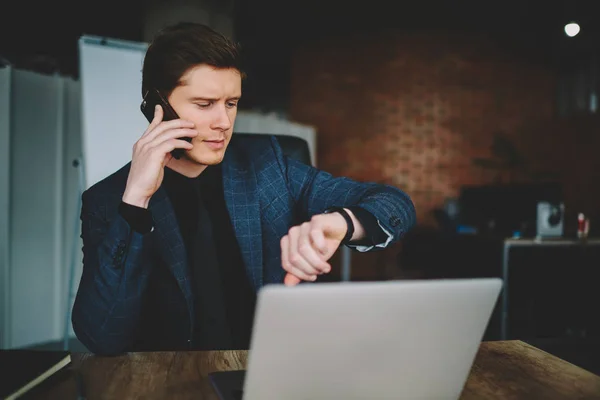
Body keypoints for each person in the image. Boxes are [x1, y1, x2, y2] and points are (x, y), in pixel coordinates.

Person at [71, 22, 416, 355]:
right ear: (156, 106)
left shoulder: (269, 164)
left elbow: (394, 204)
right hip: (168, 384)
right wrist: (136, 202)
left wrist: (342, 223)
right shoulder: (106, 200)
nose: (223, 122)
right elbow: (102, 337)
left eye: (231, 103)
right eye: (204, 104)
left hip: (266, 371)